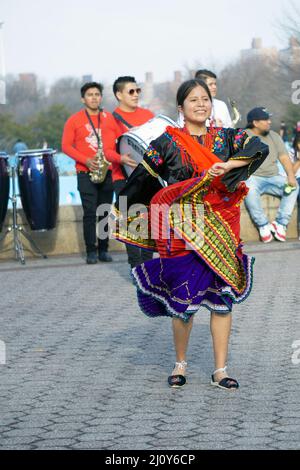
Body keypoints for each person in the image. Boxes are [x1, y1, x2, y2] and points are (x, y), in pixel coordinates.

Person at [113, 79, 268, 390]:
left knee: (223, 299)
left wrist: (225, 166)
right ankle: (180, 363)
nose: (201, 104)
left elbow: (258, 148)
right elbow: (142, 182)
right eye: (193, 100)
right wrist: (125, 218)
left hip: (223, 227)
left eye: (206, 99)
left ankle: (220, 370)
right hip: (182, 230)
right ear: (180, 108)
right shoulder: (167, 143)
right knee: (183, 300)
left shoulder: (227, 138)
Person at [62, 82, 119, 264]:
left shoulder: (109, 118)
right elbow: (65, 146)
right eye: (89, 94)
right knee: (89, 213)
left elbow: (118, 140)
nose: (94, 97)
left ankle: (104, 250)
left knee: (104, 211)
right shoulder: (74, 120)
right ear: (83, 99)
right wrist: (85, 160)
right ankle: (91, 251)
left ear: (101, 97)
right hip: (85, 172)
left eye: (97, 94)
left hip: (107, 171)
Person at [104, 76, 154, 269]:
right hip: (122, 178)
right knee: (130, 222)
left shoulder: (148, 114)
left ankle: (148, 266)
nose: (135, 95)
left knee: (149, 220)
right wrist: (122, 159)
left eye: (137, 91)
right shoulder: (111, 120)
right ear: (119, 94)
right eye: (130, 92)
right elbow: (107, 151)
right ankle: (135, 266)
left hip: (147, 177)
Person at [244, 107, 299, 243]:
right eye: (265, 119)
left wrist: (291, 176)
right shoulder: (244, 136)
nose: (269, 122)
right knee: (248, 189)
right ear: (255, 123)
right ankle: (263, 225)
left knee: (294, 186)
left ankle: (280, 223)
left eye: (269, 119)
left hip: (273, 177)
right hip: (253, 177)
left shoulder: (274, 136)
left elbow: (284, 157)